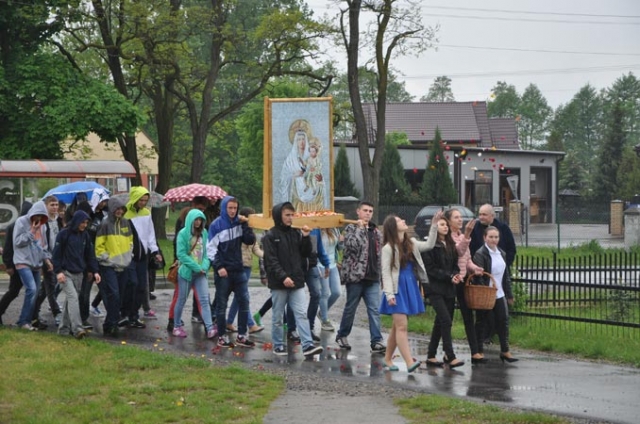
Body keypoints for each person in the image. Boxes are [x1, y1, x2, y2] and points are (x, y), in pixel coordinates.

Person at [262, 201, 323, 357]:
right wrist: (283, 277)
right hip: (279, 283)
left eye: (292, 215)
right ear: (279, 216)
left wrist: (306, 237)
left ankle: (307, 345)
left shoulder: (296, 233)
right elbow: (271, 261)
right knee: (277, 316)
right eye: (287, 215)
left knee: (301, 313)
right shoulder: (270, 236)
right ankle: (278, 345)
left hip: (296, 281)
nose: (290, 218)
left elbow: (305, 253)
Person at [379, 214, 436, 373]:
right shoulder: (388, 248)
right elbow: (385, 273)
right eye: (399, 220)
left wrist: (434, 225)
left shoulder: (411, 243)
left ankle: (387, 359)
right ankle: (409, 362)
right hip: (396, 289)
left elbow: (429, 245)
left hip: (409, 285)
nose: (404, 221)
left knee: (396, 327)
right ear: (393, 227)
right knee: (402, 326)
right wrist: (389, 295)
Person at [335, 201, 386, 354]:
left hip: (372, 277)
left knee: (374, 310)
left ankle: (376, 340)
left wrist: (381, 276)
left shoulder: (376, 232)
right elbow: (351, 246)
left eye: (370, 211)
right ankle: (342, 335)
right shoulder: (350, 229)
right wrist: (359, 229)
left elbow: (379, 254)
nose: (368, 213)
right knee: (351, 308)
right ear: (358, 212)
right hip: (356, 277)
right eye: (365, 210)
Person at [208, 196, 256, 348]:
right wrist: (219, 267)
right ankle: (221, 336)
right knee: (222, 304)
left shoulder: (239, 223)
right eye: (230, 208)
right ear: (224, 208)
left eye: (235, 208)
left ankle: (241, 336)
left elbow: (250, 240)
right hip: (224, 271)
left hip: (238, 268)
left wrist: (246, 224)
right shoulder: (216, 225)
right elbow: (210, 250)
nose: (233, 211)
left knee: (244, 301)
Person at [421, 216, 465, 368]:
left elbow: (455, 264)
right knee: (446, 320)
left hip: (449, 288)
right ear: (435, 227)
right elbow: (431, 269)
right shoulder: (430, 245)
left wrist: (456, 274)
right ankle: (450, 354)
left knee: (440, 322)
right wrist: (449, 276)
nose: (445, 227)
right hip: (435, 288)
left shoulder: (450, 244)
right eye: (441, 224)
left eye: (446, 224)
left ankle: (431, 355)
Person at [469, 204, 516, 344]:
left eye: (484, 214)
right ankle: (482, 338)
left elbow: (511, 248)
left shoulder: (503, 228)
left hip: (499, 273)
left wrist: (503, 264)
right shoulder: (476, 229)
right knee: (484, 311)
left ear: (492, 216)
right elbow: (471, 249)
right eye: (480, 214)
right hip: (481, 274)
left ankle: (501, 342)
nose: (481, 217)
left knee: (501, 314)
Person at [444, 208, 486, 364]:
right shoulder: (447, 238)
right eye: (456, 217)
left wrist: (475, 268)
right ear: (448, 221)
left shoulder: (461, 237)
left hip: (463, 281)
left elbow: (466, 260)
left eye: (460, 217)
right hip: (452, 281)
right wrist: (468, 234)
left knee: (468, 316)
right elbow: (458, 252)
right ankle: (447, 352)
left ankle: (475, 352)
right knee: (446, 318)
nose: (460, 220)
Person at [472, 226, 519, 363]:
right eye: (491, 237)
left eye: (496, 237)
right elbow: (479, 276)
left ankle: (505, 350)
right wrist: (484, 290)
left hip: (499, 293)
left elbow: (506, 276)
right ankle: (478, 351)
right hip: (486, 294)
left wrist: (509, 294)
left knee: (503, 320)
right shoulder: (480, 254)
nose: (494, 240)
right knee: (482, 322)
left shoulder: (501, 253)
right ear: (484, 238)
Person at [52, 210, 101, 339]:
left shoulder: (85, 235)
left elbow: (90, 254)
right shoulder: (64, 234)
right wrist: (58, 271)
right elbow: (56, 254)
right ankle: (77, 329)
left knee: (70, 301)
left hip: (79, 273)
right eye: (82, 222)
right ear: (76, 221)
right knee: (73, 298)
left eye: (86, 222)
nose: (84, 225)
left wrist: (94, 270)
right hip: (66, 273)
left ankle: (63, 329)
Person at [172, 208, 216, 340]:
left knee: (204, 300)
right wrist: (196, 267)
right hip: (186, 273)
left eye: (200, 220)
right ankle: (176, 326)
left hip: (201, 274)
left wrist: (204, 266)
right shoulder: (183, 234)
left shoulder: (204, 233)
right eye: (196, 220)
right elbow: (181, 255)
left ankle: (209, 328)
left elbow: (207, 253)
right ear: (190, 220)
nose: (198, 222)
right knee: (181, 299)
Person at [167, 196, 209, 331]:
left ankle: (207, 324)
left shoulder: (203, 229)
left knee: (202, 297)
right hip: (185, 267)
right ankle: (173, 321)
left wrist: (203, 266)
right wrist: (178, 260)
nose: (198, 221)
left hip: (199, 268)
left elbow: (206, 250)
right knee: (180, 296)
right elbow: (179, 247)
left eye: (203, 210)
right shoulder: (182, 227)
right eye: (199, 209)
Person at [123, 186, 163, 329]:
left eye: (146, 200)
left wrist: (155, 251)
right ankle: (126, 313)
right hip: (129, 256)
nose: (143, 203)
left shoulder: (146, 213)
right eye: (141, 200)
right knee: (132, 284)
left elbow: (150, 234)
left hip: (143, 256)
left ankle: (134, 315)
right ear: (135, 199)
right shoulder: (125, 213)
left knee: (141, 287)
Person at [94, 197, 133, 337]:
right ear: (112, 209)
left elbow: (130, 241)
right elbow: (99, 246)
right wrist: (107, 258)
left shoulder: (126, 223)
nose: (120, 211)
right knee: (114, 295)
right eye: (117, 209)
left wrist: (129, 256)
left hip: (123, 265)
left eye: (122, 209)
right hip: (108, 266)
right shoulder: (104, 224)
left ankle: (109, 323)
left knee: (119, 296)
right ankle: (113, 323)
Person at [12, 201, 52, 331]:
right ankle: (23, 321)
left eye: (41, 216)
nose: (38, 218)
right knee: (32, 289)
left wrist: (47, 260)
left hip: (37, 263)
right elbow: (17, 242)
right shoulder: (21, 222)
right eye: (37, 215)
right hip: (23, 261)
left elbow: (43, 245)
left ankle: (27, 321)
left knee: (35, 292)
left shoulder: (43, 226)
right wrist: (32, 231)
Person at [226, 207, 264, 334]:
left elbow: (256, 249)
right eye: (252, 218)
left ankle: (229, 322)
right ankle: (251, 325)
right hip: (238, 267)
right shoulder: (237, 230)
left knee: (239, 297)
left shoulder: (251, 233)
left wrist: (269, 256)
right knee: (243, 296)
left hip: (247, 267)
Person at [31, 196, 62, 329]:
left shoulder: (59, 220)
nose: (55, 207)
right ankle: (57, 313)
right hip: (47, 257)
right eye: (52, 205)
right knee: (51, 286)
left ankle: (33, 311)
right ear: (46, 206)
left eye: (56, 205)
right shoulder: (43, 221)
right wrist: (46, 259)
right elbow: (41, 242)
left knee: (46, 288)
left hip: (57, 257)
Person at [0, 201, 32, 326]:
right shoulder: (14, 226)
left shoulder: (27, 226)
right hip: (16, 263)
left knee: (18, 290)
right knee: (14, 290)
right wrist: (8, 265)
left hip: (24, 262)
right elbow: (8, 247)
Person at [317, 227, 342, 331]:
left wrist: (341, 241)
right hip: (321, 264)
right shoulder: (317, 230)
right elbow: (314, 249)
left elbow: (339, 248)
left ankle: (322, 312)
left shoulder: (335, 229)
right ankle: (325, 320)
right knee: (325, 293)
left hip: (332, 264)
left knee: (337, 292)